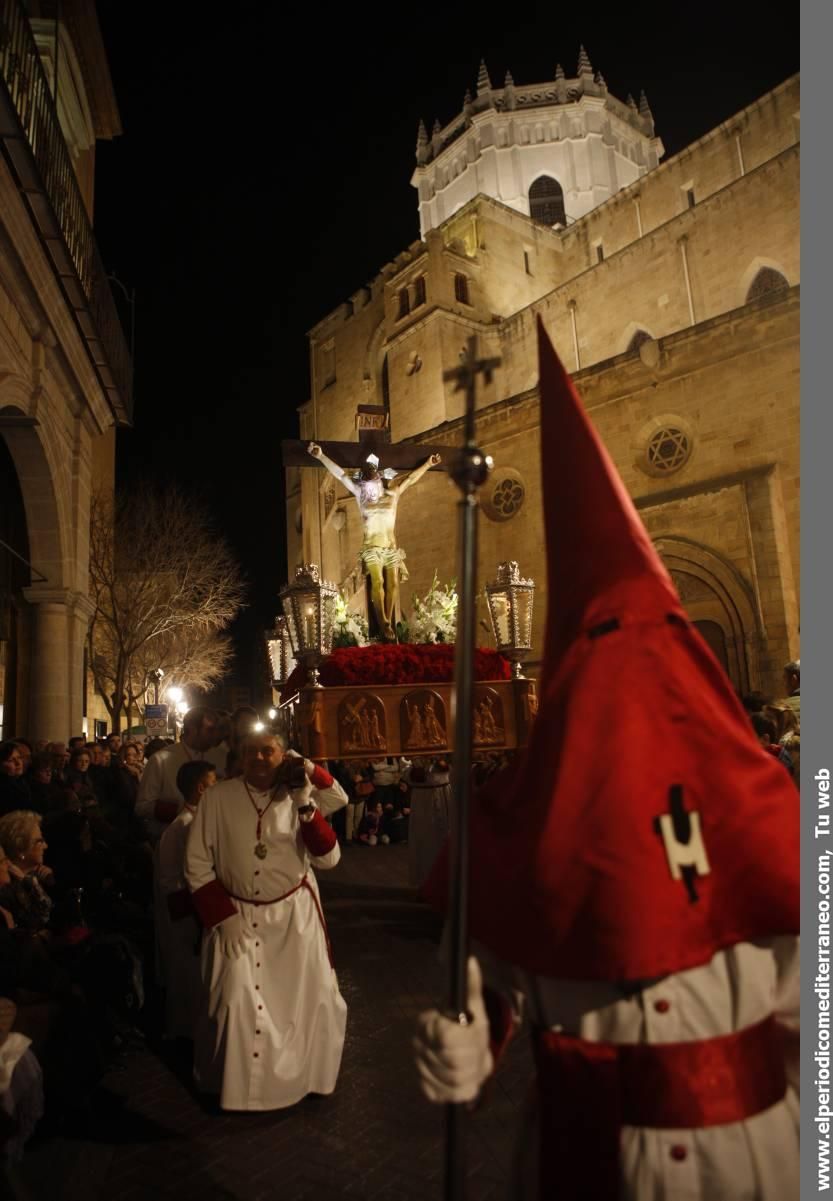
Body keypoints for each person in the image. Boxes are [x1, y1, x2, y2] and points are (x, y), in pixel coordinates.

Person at [413, 323, 799, 1201]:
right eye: (600, 650)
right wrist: (462, 1046)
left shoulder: (762, 812)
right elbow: (485, 995)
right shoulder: (514, 835)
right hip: (575, 1161)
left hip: (746, 1168)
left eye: (651, 651)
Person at [184, 731, 348, 1111]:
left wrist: (305, 776)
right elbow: (196, 862)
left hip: (294, 918)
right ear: (239, 757)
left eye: (268, 751)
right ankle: (235, 1088)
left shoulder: (300, 794)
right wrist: (221, 917)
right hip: (236, 915)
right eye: (250, 752)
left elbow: (331, 840)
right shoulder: (217, 797)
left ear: (282, 754)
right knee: (231, 1001)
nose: (259, 758)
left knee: (308, 1000)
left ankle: (306, 1078)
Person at [307, 441, 441, 640]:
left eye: (374, 480)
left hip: (390, 547)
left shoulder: (392, 494)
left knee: (393, 584)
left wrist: (428, 464)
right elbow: (341, 475)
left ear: (379, 479)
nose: (371, 486)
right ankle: (384, 623)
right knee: (377, 582)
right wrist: (320, 456)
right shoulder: (361, 496)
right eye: (367, 482)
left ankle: (387, 623)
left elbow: (411, 479)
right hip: (371, 547)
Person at [156, 760, 216, 1042]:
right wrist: (195, 915)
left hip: (196, 912)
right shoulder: (182, 827)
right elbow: (172, 881)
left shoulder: (198, 822)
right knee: (187, 976)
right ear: (202, 788)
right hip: (187, 916)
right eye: (214, 783)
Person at [135, 707, 224, 843]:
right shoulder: (160, 760)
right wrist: (184, 809)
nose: (216, 735)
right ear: (193, 729)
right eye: (210, 730)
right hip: (174, 840)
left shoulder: (220, 757)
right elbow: (143, 807)